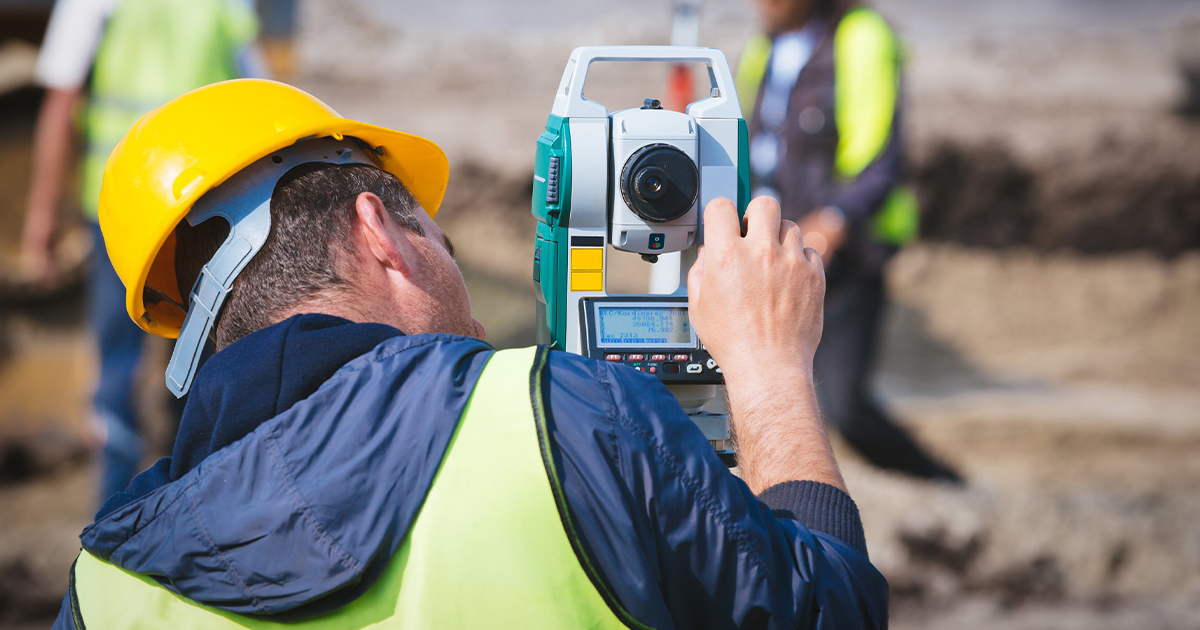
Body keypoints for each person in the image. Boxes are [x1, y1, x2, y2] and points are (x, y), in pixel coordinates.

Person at [52, 79, 887, 629]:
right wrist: (773, 369)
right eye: (439, 237)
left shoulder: (106, 586)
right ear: (380, 231)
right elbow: (827, 613)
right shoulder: (559, 419)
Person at [21, 0, 260, 505]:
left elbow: (61, 102)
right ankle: (198, 503)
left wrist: (41, 217)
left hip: (123, 209)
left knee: (116, 367)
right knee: (204, 364)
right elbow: (254, 94)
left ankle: (114, 519)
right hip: (209, 212)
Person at [737, 0, 960, 481]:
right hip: (773, 256)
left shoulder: (862, 38)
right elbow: (752, 146)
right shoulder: (766, 47)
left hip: (845, 260)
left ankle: (941, 483)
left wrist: (835, 218)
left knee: (843, 405)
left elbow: (881, 161)